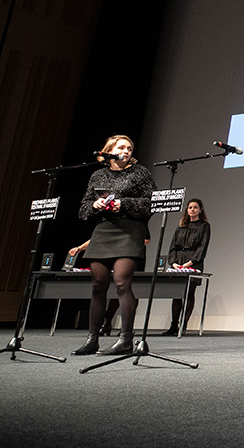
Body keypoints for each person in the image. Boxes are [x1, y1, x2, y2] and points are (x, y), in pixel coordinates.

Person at [73, 135, 155, 356]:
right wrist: (95, 204)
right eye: (121, 147)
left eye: (129, 148)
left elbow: (152, 202)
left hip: (130, 230)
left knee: (121, 283)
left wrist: (123, 204)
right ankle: (92, 339)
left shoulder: (140, 173)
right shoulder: (98, 175)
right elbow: (83, 209)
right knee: (98, 286)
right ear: (109, 150)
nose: (126, 150)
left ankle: (126, 340)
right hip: (103, 229)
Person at [161, 198, 211, 336]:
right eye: (190, 207)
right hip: (179, 262)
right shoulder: (181, 226)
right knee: (177, 294)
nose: (192, 210)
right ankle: (173, 325)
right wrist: (173, 262)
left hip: (193, 262)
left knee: (189, 293)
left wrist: (190, 262)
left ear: (200, 209)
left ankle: (184, 324)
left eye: (195, 207)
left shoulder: (204, 226)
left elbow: (202, 247)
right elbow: (173, 246)